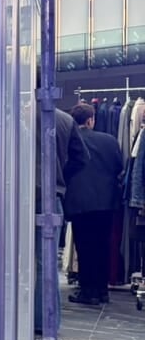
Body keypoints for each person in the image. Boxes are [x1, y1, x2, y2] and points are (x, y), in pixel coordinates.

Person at [34, 101, 89, 333]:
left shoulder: (12, 112)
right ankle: (45, 323)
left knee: (7, 261)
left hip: (14, 195)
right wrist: (59, 175)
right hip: (49, 195)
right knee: (45, 263)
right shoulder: (64, 119)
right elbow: (81, 158)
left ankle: (12, 319)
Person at [64, 103, 123, 306]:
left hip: (80, 202)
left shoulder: (70, 140)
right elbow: (119, 167)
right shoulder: (110, 140)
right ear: (91, 120)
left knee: (85, 247)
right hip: (106, 202)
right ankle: (102, 290)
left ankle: (88, 291)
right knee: (103, 246)